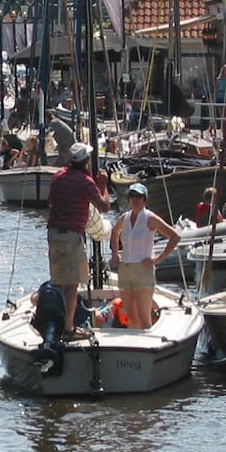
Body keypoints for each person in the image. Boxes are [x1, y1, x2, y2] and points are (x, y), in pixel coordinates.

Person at [46, 142, 110, 341]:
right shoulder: (85, 182)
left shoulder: (58, 177)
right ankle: (68, 329)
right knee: (72, 285)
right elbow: (104, 207)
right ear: (86, 162)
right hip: (72, 236)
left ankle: (60, 325)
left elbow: (50, 202)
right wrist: (104, 184)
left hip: (53, 234)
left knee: (60, 282)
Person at [109, 183, 179, 329]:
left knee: (144, 316)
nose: (135, 199)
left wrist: (158, 259)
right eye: (132, 196)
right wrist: (115, 254)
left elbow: (174, 236)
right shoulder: (124, 218)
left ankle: (147, 343)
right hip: (125, 269)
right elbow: (114, 233)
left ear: (145, 200)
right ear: (128, 198)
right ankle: (134, 345)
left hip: (143, 269)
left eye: (139, 196)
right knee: (130, 315)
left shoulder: (150, 218)